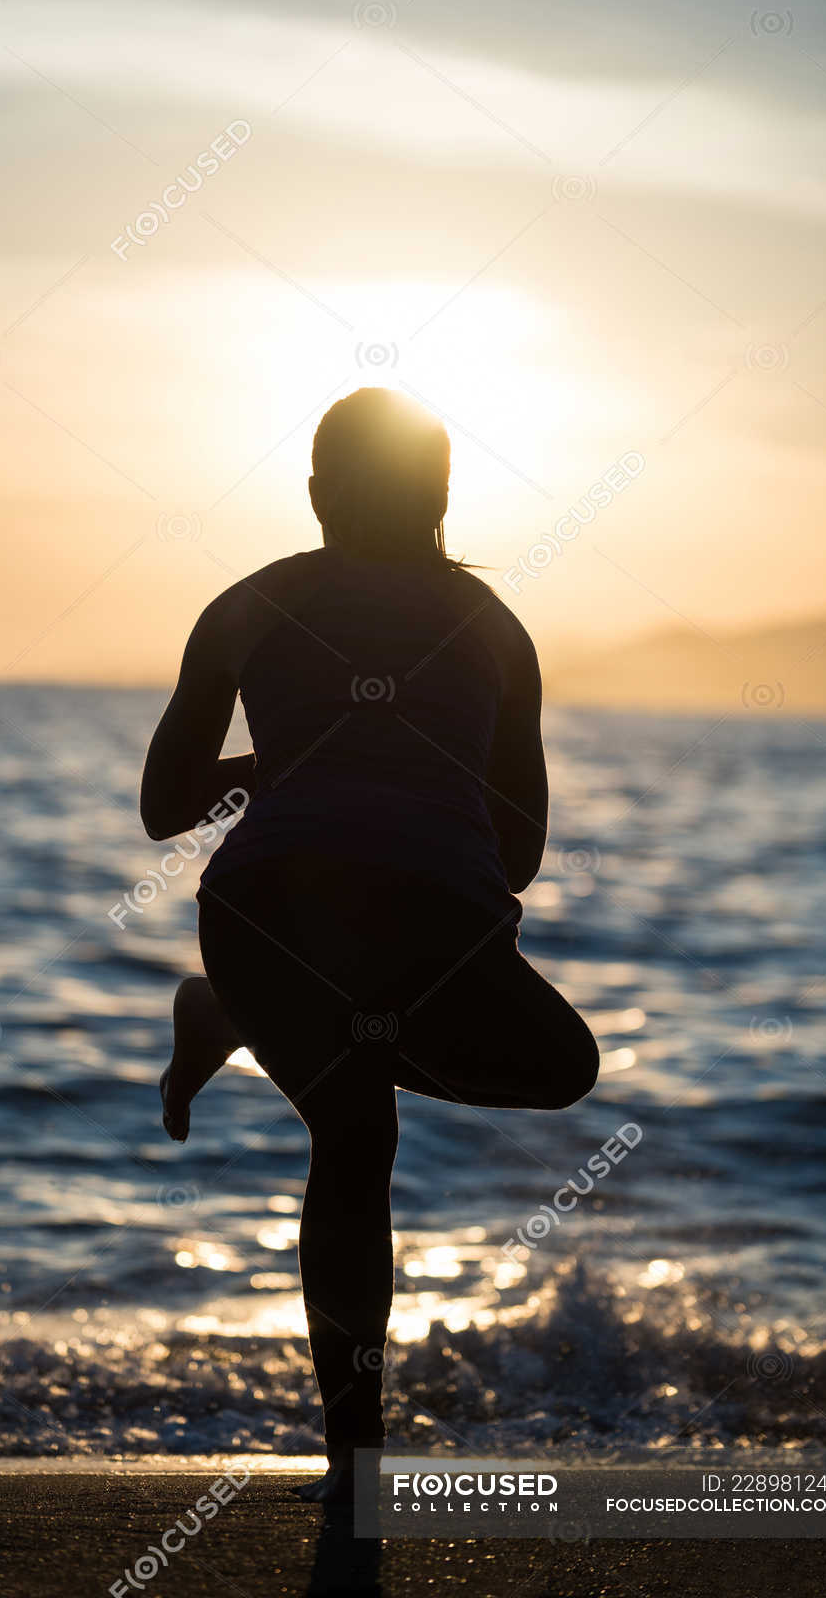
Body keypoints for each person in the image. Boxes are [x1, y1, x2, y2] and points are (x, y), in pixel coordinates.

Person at [140, 387, 599, 1504]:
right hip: (406, 922)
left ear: (315, 495)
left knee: (366, 1134)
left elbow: (165, 807)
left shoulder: (246, 605)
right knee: (387, 1129)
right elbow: (522, 845)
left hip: (259, 917)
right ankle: (358, 1457)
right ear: (441, 496)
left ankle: (235, 1013)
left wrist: (272, 772)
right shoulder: (496, 628)